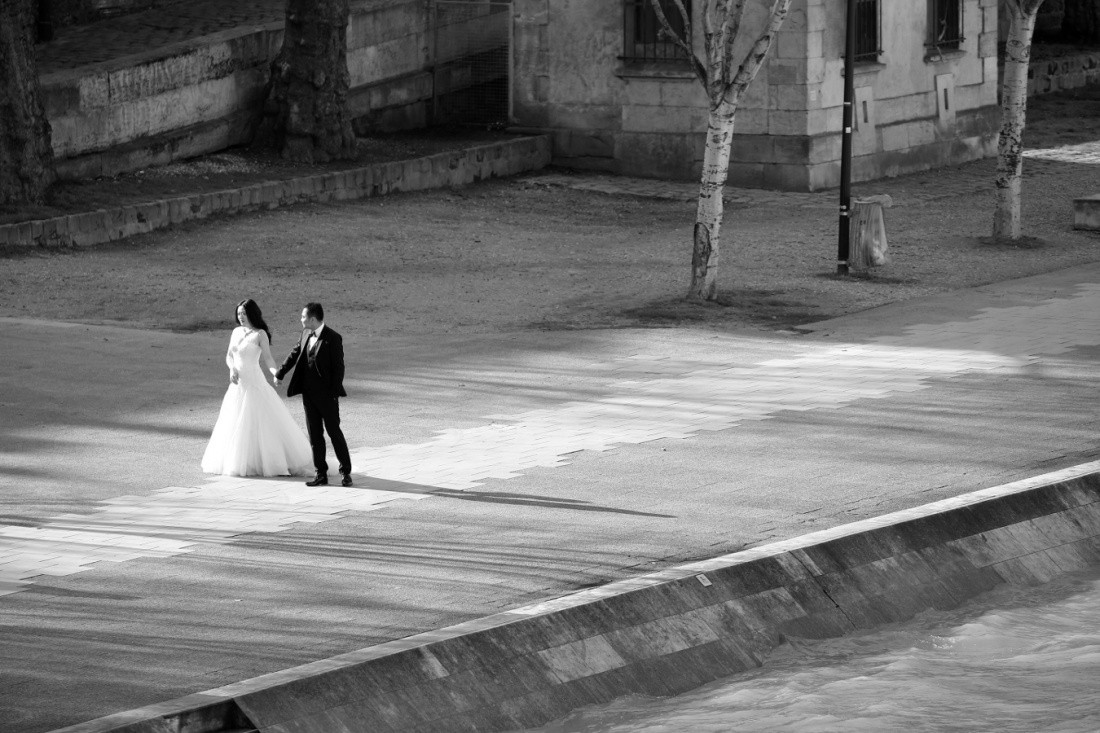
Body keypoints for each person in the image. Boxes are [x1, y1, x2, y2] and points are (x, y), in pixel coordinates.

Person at [202, 299, 313, 477]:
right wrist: (232, 369)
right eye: (239, 314)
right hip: (238, 385)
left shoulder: (260, 334)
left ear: (252, 314)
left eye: (244, 313)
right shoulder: (236, 332)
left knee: (260, 422)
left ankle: (271, 461)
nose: (241, 317)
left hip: (255, 383)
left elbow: (268, 358)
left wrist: (276, 373)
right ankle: (239, 461)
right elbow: (229, 356)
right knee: (234, 422)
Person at [272, 302, 353, 487]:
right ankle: (320, 473)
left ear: (313, 319)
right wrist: (280, 373)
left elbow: (339, 368)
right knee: (315, 435)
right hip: (309, 395)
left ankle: (346, 473)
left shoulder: (333, 338)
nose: (301, 319)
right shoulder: (305, 334)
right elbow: (295, 354)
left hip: (327, 396)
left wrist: (333, 393)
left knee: (334, 433)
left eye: (303, 317)